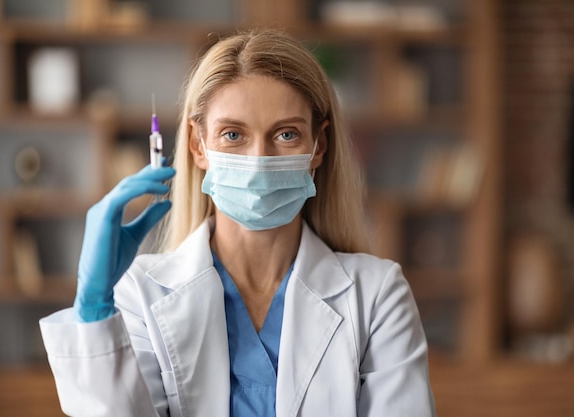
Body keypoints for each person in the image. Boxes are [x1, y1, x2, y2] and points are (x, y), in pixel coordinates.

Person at [40, 29, 436, 417]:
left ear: (320, 145)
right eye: (233, 134)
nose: (259, 159)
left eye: (285, 134)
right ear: (198, 146)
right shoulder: (141, 295)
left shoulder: (377, 296)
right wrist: (93, 307)